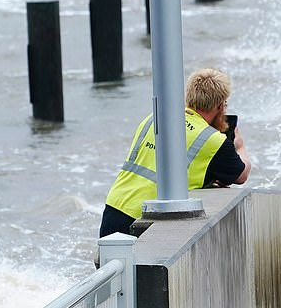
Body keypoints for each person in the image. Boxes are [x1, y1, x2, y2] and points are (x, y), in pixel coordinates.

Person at [99, 68, 251, 237]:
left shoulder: (153, 118)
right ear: (220, 105)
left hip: (115, 207)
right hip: (149, 218)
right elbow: (241, 175)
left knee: (112, 263)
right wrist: (240, 146)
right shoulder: (213, 140)